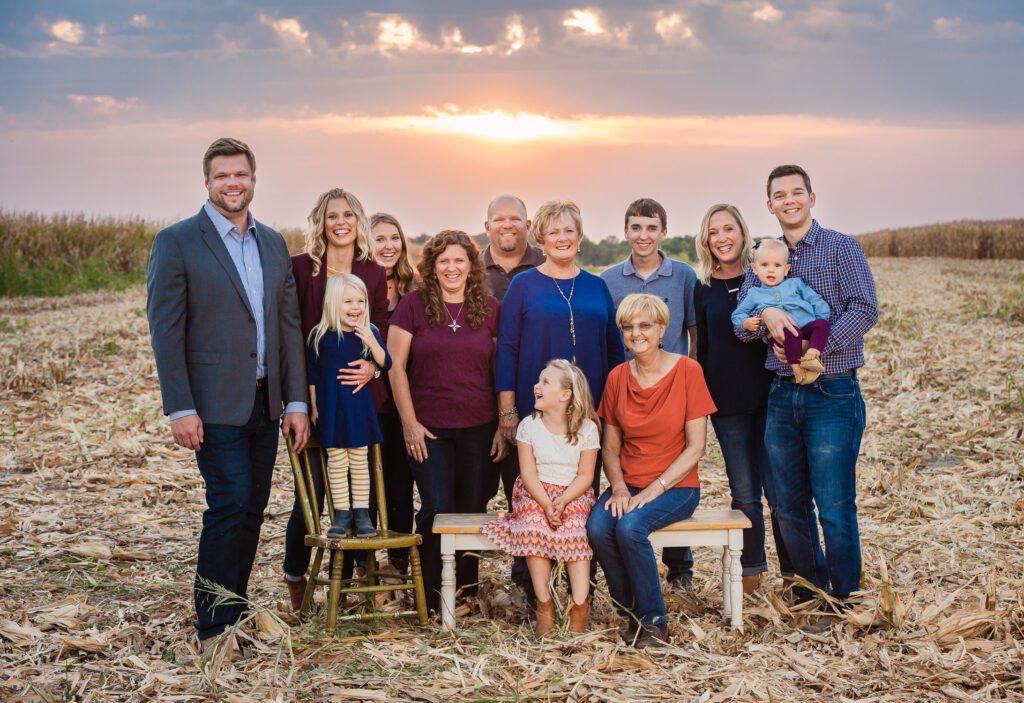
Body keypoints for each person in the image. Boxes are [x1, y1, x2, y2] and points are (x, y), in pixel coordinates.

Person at [146, 137, 309, 657]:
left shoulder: (273, 244)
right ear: (208, 183)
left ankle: (233, 610)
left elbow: (287, 325)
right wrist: (180, 406)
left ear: (254, 179)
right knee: (230, 502)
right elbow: (165, 330)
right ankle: (213, 627)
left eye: (240, 174)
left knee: (253, 506)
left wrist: (297, 401)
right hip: (211, 405)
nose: (232, 183)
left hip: (266, 403)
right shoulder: (177, 242)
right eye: (222, 176)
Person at [735, 165, 877, 628]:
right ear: (769, 204)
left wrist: (814, 346)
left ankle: (843, 598)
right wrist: (766, 321)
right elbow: (745, 328)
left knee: (834, 503)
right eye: (780, 194)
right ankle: (810, 590)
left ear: (812, 197)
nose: (789, 200)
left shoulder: (840, 247)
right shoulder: (762, 258)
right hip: (781, 393)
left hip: (832, 390)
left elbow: (864, 308)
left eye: (797, 192)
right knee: (789, 504)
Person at [587, 294, 716, 649]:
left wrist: (653, 490)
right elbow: (610, 448)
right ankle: (629, 611)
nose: (635, 334)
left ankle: (655, 622)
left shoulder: (688, 371)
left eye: (645, 326)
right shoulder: (616, 378)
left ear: (662, 329)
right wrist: (618, 488)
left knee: (630, 528)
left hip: (676, 486)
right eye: (627, 328)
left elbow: (696, 448)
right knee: (598, 528)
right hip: (628, 482)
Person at [387, 230, 504, 612]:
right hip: (428, 428)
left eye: (460, 260)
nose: (452, 267)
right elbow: (395, 367)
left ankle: (466, 593)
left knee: (472, 508)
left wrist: (504, 422)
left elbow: (500, 368)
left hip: (479, 425)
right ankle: (432, 595)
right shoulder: (412, 305)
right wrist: (409, 423)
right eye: (444, 261)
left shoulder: (489, 307)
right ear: (431, 266)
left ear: (472, 265)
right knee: (436, 507)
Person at [282, 188, 385, 610]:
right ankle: (296, 575)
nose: (340, 222)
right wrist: (299, 403)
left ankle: (358, 578)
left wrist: (375, 368)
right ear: (320, 222)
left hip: (359, 396)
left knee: (361, 482)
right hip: (315, 394)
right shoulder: (301, 269)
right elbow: (291, 336)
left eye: (348, 215)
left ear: (359, 221)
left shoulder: (373, 273)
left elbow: (382, 331)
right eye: (331, 216)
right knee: (312, 493)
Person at [693, 203, 792, 595]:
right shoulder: (700, 287)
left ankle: (795, 574)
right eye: (714, 231)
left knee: (782, 492)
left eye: (729, 229)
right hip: (727, 403)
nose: (722, 238)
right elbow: (699, 349)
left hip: (773, 396)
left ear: (742, 232)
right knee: (745, 493)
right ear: (706, 239)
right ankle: (751, 573)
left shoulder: (767, 278)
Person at [600, 197, 698, 592]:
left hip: (671, 385)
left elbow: (694, 329)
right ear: (625, 231)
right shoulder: (608, 280)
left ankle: (680, 569)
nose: (643, 235)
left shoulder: (684, 276)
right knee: (629, 459)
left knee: (672, 462)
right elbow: (610, 335)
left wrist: (691, 376)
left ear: (663, 233)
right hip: (627, 384)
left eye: (651, 228)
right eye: (636, 227)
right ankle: (629, 593)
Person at [481, 360, 599, 635]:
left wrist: (563, 500)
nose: (536, 385)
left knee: (576, 530)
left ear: (565, 394)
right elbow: (528, 472)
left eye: (545, 381)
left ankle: (580, 606)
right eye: (538, 380)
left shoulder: (586, 429)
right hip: (535, 493)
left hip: (573, 493)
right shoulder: (528, 426)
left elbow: (585, 475)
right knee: (533, 524)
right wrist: (546, 503)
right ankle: (544, 603)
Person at [480, 194, 545, 598]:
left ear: (529, 224)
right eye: (499, 219)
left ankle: (528, 581)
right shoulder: (470, 267)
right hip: (474, 395)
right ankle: (466, 584)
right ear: (486, 226)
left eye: (516, 219)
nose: (508, 225)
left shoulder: (545, 262)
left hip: (534, 396)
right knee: (476, 491)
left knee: (529, 489)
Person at [307, 274, 391, 537]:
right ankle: (341, 514)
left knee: (359, 460)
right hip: (331, 408)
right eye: (348, 302)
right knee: (336, 460)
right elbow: (312, 375)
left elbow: (386, 363)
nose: (356, 307)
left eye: (361, 301)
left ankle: (362, 513)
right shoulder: (321, 336)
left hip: (358, 409)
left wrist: (371, 341)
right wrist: (314, 407)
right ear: (333, 303)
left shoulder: (370, 333)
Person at [369, 212, 417, 574]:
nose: (388, 246)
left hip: (407, 396)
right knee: (366, 482)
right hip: (367, 396)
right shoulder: (357, 284)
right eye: (379, 239)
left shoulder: (415, 287)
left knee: (401, 481)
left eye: (394, 238)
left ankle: (398, 562)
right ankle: (362, 563)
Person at [732, 239, 830, 385]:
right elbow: (737, 315)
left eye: (777, 265)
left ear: (786, 269)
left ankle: (812, 357)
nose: (771, 270)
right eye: (764, 265)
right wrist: (745, 323)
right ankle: (798, 371)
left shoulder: (795, 284)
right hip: (780, 334)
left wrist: (820, 317)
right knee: (790, 332)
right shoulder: (754, 294)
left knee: (822, 325)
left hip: (806, 325)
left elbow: (815, 299)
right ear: (754, 268)